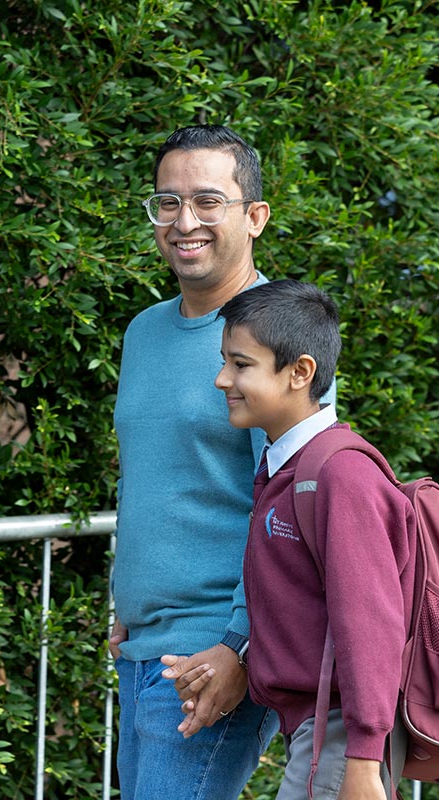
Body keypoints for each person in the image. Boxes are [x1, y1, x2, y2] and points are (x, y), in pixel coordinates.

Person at [110, 124, 335, 799]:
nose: (185, 222)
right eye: (168, 202)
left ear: (255, 216)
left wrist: (239, 648)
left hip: (210, 653)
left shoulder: (276, 340)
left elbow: (294, 503)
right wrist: (130, 597)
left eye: (208, 201)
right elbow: (154, 478)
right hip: (142, 650)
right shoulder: (144, 331)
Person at [174, 278, 414, 799]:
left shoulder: (340, 475)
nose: (222, 379)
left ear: (299, 372)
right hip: (314, 730)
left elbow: (370, 624)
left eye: (240, 364)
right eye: (224, 361)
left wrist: (363, 761)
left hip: (340, 735)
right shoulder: (284, 467)